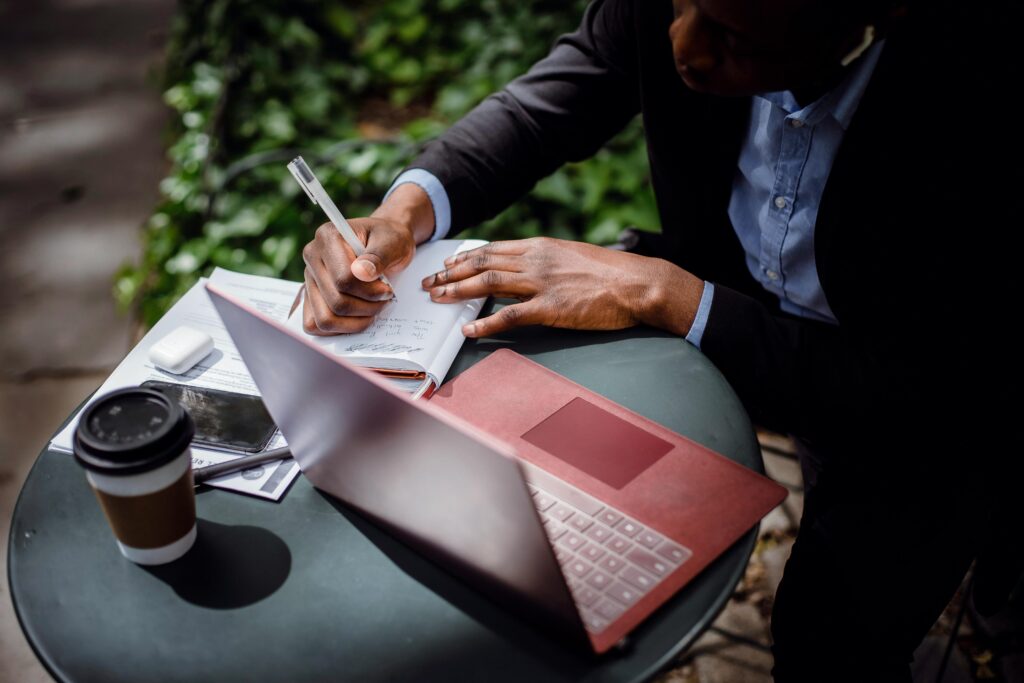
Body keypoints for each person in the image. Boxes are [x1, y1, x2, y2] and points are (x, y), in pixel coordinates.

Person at [299, 1, 1017, 679]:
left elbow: (922, 388)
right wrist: (408, 210)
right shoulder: (688, 16)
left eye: (737, 37)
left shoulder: (971, 97)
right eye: (680, 5)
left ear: (869, 19)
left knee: (829, 633)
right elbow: (560, 95)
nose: (683, 48)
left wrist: (666, 294)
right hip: (743, 301)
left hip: (929, 408)